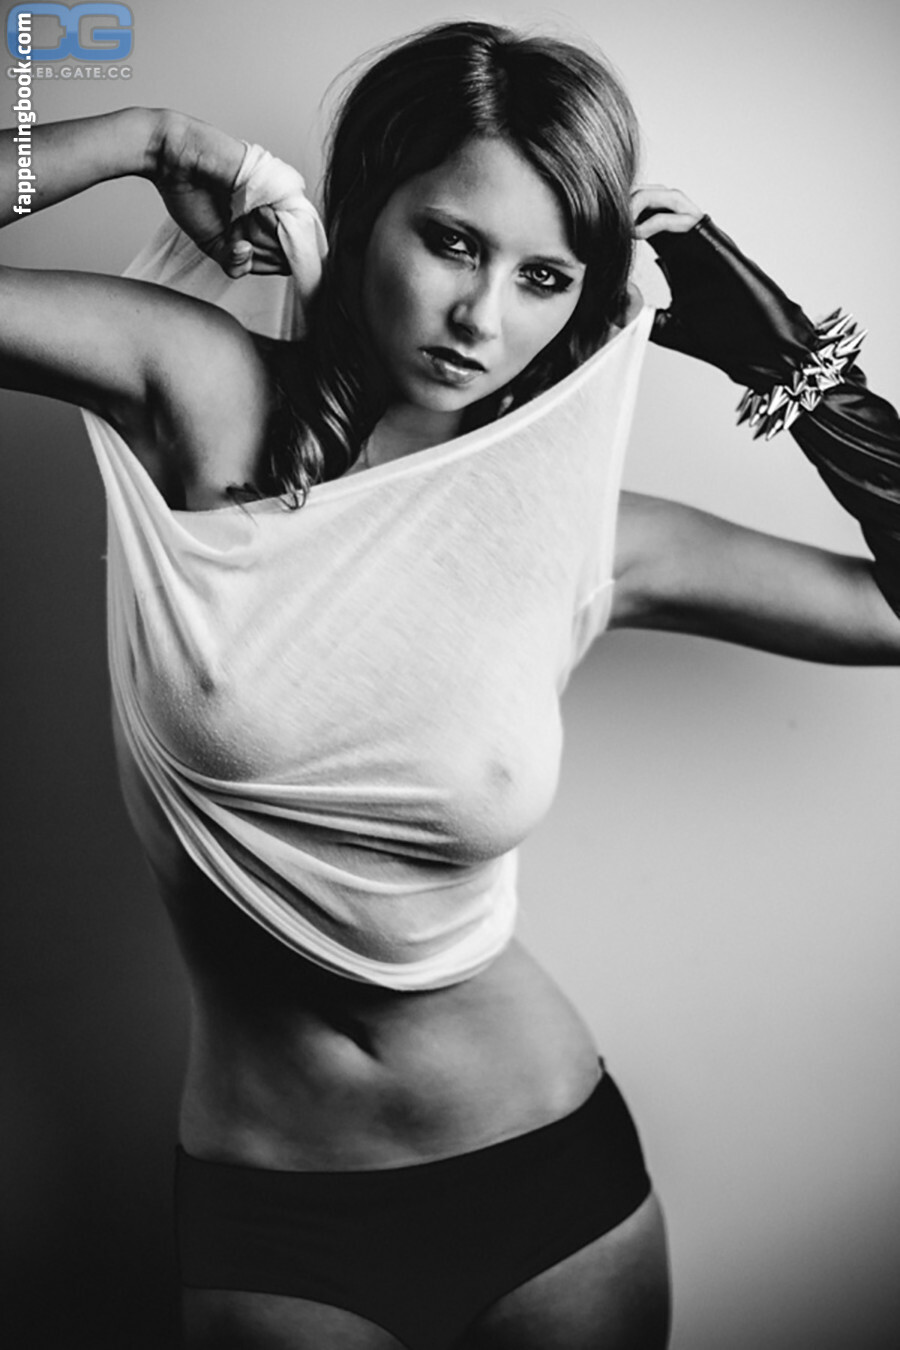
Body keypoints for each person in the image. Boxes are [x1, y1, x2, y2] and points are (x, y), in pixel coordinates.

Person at [2, 19, 899, 1350]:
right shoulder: (199, 388)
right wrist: (147, 139)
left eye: (544, 277)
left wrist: (792, 361)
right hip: (274, 1202)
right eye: (453, 242)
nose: (484, 318)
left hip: (549, 1178)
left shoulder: (578, 534)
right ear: (369, 210)